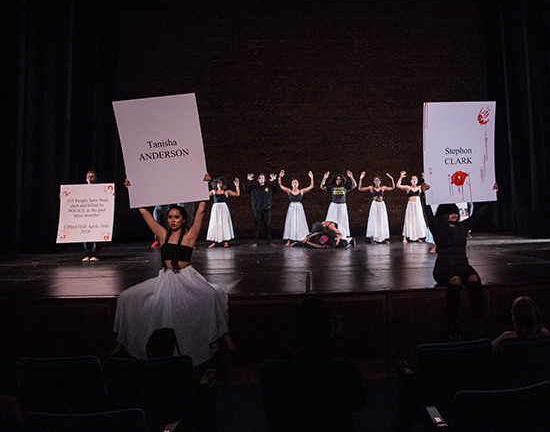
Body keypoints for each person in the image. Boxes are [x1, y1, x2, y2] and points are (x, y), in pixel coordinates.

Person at [116, 175, 235, 367]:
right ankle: (122, 341)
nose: (172, 220)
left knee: (215, 295)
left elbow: (202, 210)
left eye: (176, 217)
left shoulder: (190, 236)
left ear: (183, 219)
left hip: (187, 279)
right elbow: (145, 214)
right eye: (170, 217)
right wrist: (132, 189)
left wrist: (204, 184)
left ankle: (223, 333)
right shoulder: (163, 234)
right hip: (165, 279)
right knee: (126, 297)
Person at [259, 297, 366, 432]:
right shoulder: (346, 369)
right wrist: (337, 342)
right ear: (330, 329)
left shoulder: (270, 373)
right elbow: (356, 403)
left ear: (295, 329)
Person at [422, 182, 498, 340]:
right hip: (444, 267)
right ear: (444, 214)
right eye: (450, 212)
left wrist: (490, 197)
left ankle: (479, 322)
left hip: (462, 264)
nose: (454, 215)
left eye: (455, 212)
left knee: (474, 278)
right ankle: (452, 324)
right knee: (455, 280)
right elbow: (428, 213)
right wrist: (424, 196)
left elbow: (478, 215)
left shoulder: (462, 227)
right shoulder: (437, 228)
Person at [278, 170, 314, 246]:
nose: (294, 184)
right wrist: (280, 177)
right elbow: (280, 186)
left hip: (299, 208)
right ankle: (289, 240)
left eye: (296, 183)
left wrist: (311, 178)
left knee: (299, 222)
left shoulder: (301, 191)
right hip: (292, 208)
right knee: (290, 223)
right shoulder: (289, 191)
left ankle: (301, 238)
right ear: (291, 184)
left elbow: (311, 186)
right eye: (293, 183)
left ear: (298, 184)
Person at [243, 172, 279, 247]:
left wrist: (274, 180)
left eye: (262, 178)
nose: (261, 179)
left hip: (266, 209)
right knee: (257, 226)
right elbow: (245, 188)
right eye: (260, 178)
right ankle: (255, 242)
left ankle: (269, 242)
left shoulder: (269, 188)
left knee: (267, 226)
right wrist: (247, 180)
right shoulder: (254, 188)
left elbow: (278, 188)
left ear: (265, 179)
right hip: (257, 209)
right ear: (258, 179)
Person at [358, 171, 395, 244]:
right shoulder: (371, 188)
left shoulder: (383, 188)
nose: (376, 181)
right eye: (375, 180)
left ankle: (383, 238)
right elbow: (360, 188)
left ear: (380, 181)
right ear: (374, 181)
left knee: (382, 220)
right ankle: (373, 239)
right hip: (375, 205)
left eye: (378, 180)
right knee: (374, 221)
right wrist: (361, 179)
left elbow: (393, 187)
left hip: (381, 205)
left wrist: (392, 178)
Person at [206, 176, 240, 248]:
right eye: (218, 183)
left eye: (220, 183)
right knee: (214, 223)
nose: (219, 184)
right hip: (215, 209)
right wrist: (206, 183)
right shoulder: (214, 191)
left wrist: (237, 186)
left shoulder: (226, 192)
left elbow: (237, 194)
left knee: (224, 223)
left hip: (223, 208)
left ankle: (226, 241)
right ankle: (213, 241)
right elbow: (204, 193)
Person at [321, 171, 356, 238]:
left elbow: (354, 185)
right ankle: (332, 234)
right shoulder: (332, 188)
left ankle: (342, 235)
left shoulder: (345, 187)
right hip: (334, 206)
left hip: (342, 206)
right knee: (333, 219)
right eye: (337, 179)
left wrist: (351, 177)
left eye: (339, 179)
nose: (338, 180)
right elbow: (322, 187)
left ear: (342, 180)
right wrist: (324, 178)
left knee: (342, 220)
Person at [397, 171, 428, 243]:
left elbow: (429, 185)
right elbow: (398, 185)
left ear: (417, 181)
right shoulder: (408, 187)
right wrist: (401, 177)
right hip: (411, 205)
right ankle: (405, 237)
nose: (414, 180)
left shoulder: (420, 187)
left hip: (417, 205)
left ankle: (417, 236)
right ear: (411, 181)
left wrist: (425, 178)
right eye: (413, 179)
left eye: (415, 179)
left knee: (418, 220)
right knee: (409, 220)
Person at [82, 170, 103, 261]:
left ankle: (95, 254)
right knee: (86, 235)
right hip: (86, 215)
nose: (90, 178)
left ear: (96, 178)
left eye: (92, 176)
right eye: (88, 177)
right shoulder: (82, 189)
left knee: (97, 236)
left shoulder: (101, 188)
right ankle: (88, 254)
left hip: (97, 214)